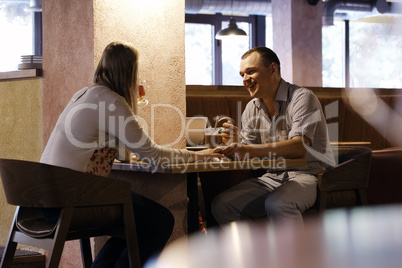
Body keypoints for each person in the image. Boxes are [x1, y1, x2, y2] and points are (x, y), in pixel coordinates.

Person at [40, 41, 222, 267]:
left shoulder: (84, 94)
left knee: (134, 226)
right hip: (72, 200)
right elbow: (154, 156)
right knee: (159, 221)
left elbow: (112, 148)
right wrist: (202, 154)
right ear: (129, 72)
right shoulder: (111, 101)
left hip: (44, 197)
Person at [211, 47, 335, 226]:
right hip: (272, 176)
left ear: (273, 69)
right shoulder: (252, 107)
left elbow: (299, 147)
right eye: (242, 75)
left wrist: (247, 149)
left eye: (251, 71)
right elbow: (248, 152)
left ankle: (296, 255)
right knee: (223, 205)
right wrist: (235, 145)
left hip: (310, 175)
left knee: (278, 203)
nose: (245, 79)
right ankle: (253, 253)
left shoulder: (302, 98)